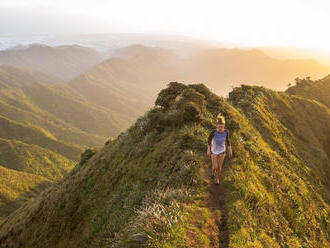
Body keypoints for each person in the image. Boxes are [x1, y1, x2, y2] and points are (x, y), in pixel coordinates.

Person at [207, 114, 232, 184]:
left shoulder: (226, 132)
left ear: (224, 127)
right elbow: (209, 141)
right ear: (216, 126)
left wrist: (230, 150)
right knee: (215, 166)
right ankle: (212, 172)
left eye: (222, 127)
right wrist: (208, 149)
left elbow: (228, 141)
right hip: (214, 151)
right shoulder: (213, 132)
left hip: (222, 151)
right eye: (219, 127)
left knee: (219, 167)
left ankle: (217, 179)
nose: (220, 129)